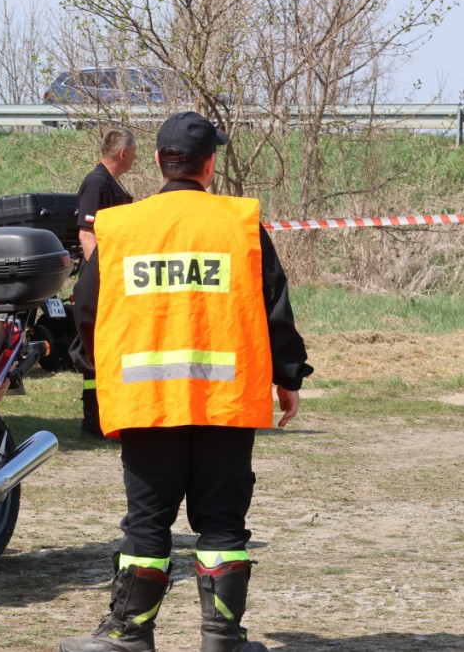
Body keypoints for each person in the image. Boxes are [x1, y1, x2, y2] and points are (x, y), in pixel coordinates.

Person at [59, 111, 313, 652]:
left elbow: (87, 306)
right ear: (210, 165)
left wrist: (95, 367)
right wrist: (287, 375)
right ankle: (223, 639)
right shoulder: (239, 224)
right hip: (225, 399)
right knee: (222, 522)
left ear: (157, 162)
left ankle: (128, 635)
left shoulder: (121, 227)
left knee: (147, 523)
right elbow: (274, 305)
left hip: (147, 400)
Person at [74, 128, 137, 439]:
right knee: (95, 352)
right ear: (123, 153)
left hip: (115, 278)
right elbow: (87, 234)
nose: (136, 157)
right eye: (134, 152)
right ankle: (94, 419)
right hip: (102, 282)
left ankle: (109, 415)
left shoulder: (112, 183)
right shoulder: (97, 182)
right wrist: (102, 277)